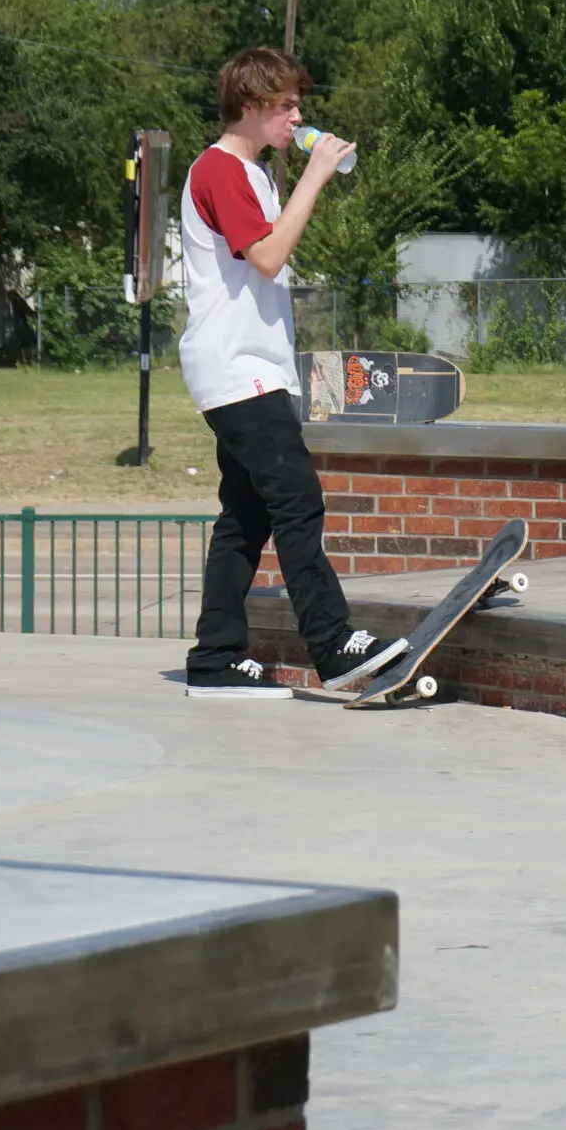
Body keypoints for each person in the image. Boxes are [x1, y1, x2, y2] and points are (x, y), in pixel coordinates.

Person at [181, 46, 408, 695]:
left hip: (253, 368)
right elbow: (269, 257)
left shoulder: (251, 174)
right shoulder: (220, 169)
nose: (297, 116)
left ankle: (214, 657)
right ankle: (333, 644)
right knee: (297, 498)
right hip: (236, 369)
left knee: (245, 516)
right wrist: (315, 175)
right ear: (250, 106)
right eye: (285, 105)